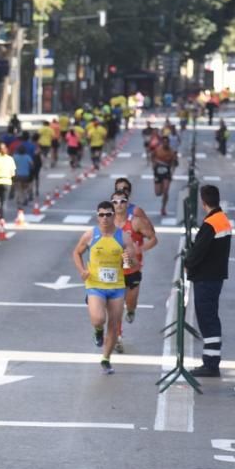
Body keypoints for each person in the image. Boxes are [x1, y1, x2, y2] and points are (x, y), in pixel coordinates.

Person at [71, 201, 136, 373]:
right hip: (95, 285)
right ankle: (98, 331)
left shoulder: (124, 236)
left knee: (114, 325)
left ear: (114, 216)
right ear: (97, 216)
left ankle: (106, 359)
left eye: (108, 214)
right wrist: (82, 270)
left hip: (117, 286)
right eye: (101, 214)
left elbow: (132, 263)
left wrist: (127, 258)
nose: (105, 218)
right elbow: (76, 252)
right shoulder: (90, 235)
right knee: (99, 319)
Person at [184, 185, 232, 378]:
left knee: (207, 319)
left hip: (206, 278)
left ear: (203, 202)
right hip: (216, 276)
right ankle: (212, 360)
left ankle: (211, 364)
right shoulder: (223, 220)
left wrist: (188, 263)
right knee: (211, 317)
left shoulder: (211, 223)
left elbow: (198, 251)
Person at [112, 190, 157, 328]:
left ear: (127, 203)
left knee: (130, 303)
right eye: (115, 202)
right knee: (115, 306)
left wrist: (141, 248)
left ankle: (131, 311)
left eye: (122, 201)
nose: (119, 204)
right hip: (114, 269)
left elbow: (153, 239)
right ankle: (117, 337)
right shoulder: (107, 222)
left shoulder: (136, 222)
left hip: (132, 269)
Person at [151, 136, 179, 216]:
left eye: (167, 142)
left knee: (166, 191)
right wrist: (154, 164)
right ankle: (161, 188)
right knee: (158, 193)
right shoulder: (157, 150)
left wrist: (173, 166)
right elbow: (152, 157)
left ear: (169, 143)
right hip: (158, 172)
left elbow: (175, 163)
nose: (165, 144)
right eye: (164, 142)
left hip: (167, 172)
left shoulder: (172, 151)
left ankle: (163, 208)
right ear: (162, 142)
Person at [0, 143, 16, 221]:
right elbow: (13, 173)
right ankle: (2, 217)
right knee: (4, 201)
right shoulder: (10, 159)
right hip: (7, 182)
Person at [11, 144, 33, 209]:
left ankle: (19, 200)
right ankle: (25, 198)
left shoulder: (14, 157)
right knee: (25, 188)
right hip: (26, 175)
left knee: (18, 188)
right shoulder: (27, 157)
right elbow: (32, 165)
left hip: (17, 175)